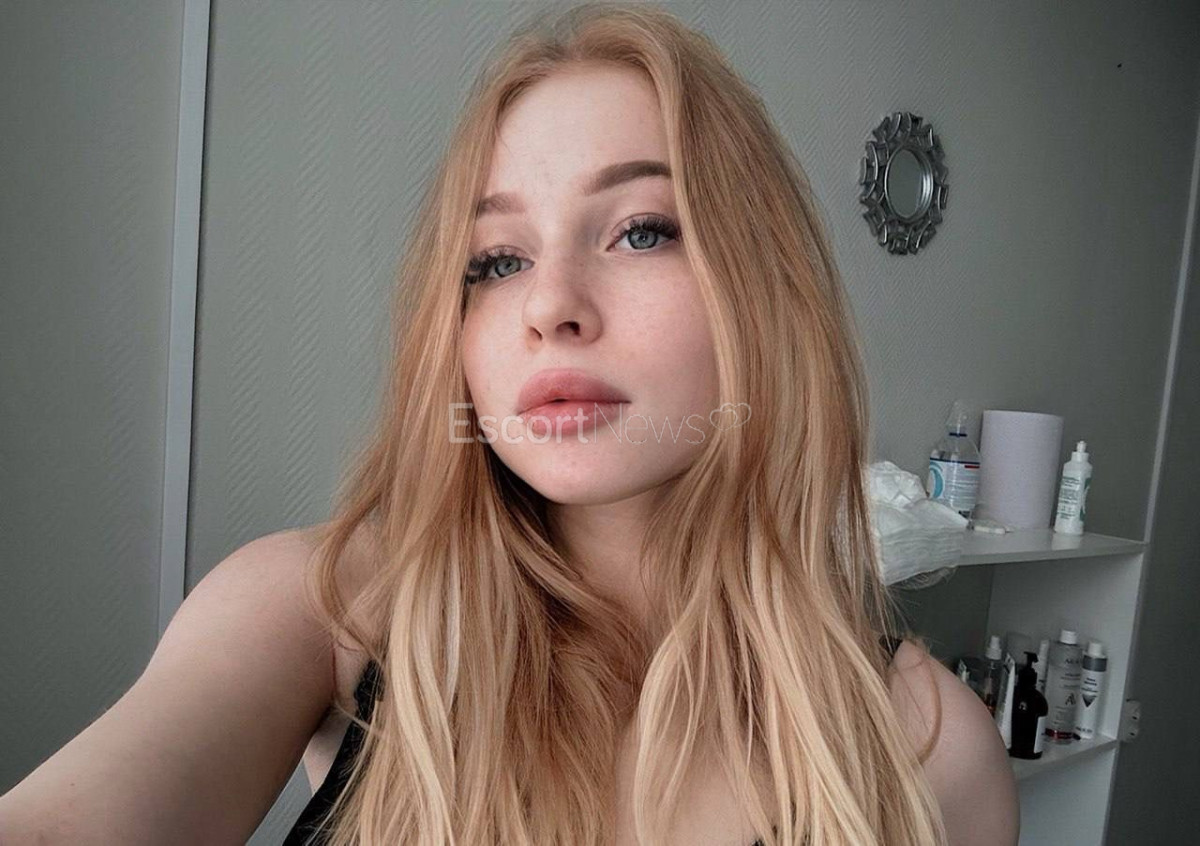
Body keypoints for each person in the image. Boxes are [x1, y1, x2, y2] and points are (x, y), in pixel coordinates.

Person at [0, 2, 1019, 844]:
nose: (548, 305)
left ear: (766, 291)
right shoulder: (321, 611)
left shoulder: (930, 745)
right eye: (496, 260)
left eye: (641, 231)